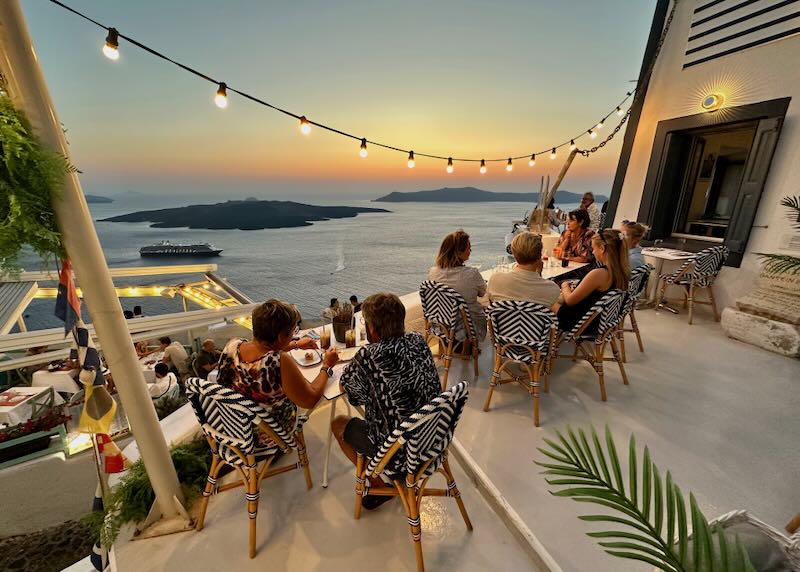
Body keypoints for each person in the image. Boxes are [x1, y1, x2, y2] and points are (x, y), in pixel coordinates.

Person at [332, 293, 440, 510]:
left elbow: (352, 394)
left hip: (400, 455)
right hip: (433, 441)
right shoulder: (418, 341)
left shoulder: (370, 356)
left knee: (339, 423)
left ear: (372, 327)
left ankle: (379, 484)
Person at [217, 299, 338, 438]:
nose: (294, 334)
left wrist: (295, 344)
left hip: (233, 426)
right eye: (293, 331)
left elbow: (261, 349)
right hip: (267, 436)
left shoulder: (232, 345)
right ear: (281, 336)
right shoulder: (279, 361)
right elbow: (309, 400)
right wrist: (327, 366)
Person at [551, 230, 630, 333]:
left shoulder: (599, 274)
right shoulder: (621, 271)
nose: (592, 252)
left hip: (577, 322)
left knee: (544, 299)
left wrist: (564, 285)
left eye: (593, 249)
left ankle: (540, 338)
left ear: (602, 249)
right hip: (599, 321)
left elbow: (570, 301)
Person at [428, 229, 487, 342]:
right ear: (458, 252)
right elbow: (482, 292)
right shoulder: (472, 273)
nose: (470, 251)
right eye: (468, 247)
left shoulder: (433, 272)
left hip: (441, 324)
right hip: (466, 328)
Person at [487, 232, 560, 306]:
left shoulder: (495, 280)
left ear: (514, 254)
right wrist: (539, 274)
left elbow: (492, 306)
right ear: (539, 256)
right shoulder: (552, 289)